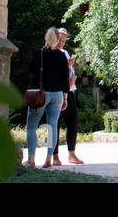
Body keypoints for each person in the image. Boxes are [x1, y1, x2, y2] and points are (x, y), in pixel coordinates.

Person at [25, 27, 69, 168]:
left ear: (46, 37)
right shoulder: (62, 56)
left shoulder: (39, 53)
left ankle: (31, 160)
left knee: (32, 126)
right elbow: (65, 79)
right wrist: (66, 97)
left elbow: (31, 70)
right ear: (57, 39)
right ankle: (49, 159)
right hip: (57, 95)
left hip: (41, 94)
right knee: (52, 127)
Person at [55, 27, 85, 165]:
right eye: (59, 40)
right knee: (54, 124)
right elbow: (54, 74)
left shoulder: (65, 52)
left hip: (70, 91)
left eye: (63, 41)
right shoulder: (51, 53)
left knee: (72, 122)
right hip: (56, 93)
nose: (61, 43)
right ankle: (54, 156)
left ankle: (71, 154)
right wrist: (67, 66)